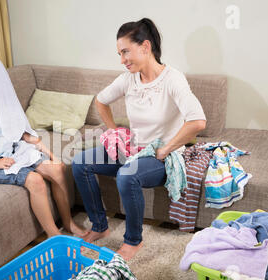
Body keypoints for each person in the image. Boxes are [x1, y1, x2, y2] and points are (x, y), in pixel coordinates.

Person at [72, 18, 207, 260]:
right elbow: (101, 100)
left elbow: (198, 121)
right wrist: (114, 131)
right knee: (80, 162)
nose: (122, 60)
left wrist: (166, 148)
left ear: (145, 47)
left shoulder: (173, 79)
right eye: (120, 53)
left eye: (125, 52)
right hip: (133, 149)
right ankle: (100, 225)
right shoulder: (128, 78)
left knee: (127, 174)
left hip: (160, 156)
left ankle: (134, 241)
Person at [0, 52, 88, 238]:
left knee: (57, 169)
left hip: (11, 152)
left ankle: (68, 222)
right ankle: (54, 236)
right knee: (35, 180)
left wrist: (47, 151)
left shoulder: (0, 102)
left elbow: (20, 132)